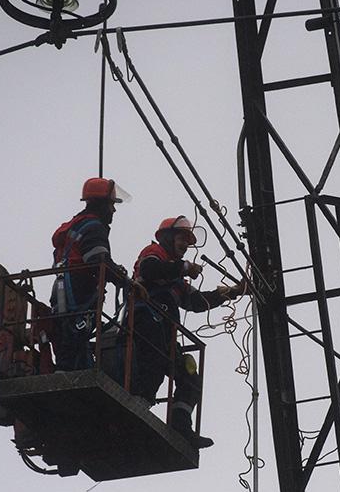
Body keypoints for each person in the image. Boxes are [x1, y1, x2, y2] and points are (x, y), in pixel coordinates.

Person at [114, 215, 247, 448]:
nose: (185, 245)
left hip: (165, 332)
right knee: (153, 360)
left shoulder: (176, 280)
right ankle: (139, 404)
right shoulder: (153, 252)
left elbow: (197, 302)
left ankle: (181, 425)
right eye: (181, 238)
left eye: (188, 241)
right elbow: (150, 269)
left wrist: (232, 292)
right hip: (144, 323)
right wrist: (184, 268)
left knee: (189, 375)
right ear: (167, 237)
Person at [50, 176, 131, 371]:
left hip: (65, 293)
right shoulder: (94, 228)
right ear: (101, 204)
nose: (114, 210)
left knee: (72, 343)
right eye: (111, 205)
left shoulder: (77, 226)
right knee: (73, 344)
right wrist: (123, 279)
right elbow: (98, 260)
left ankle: (67, 374)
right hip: (78, 292)